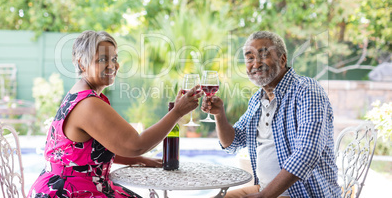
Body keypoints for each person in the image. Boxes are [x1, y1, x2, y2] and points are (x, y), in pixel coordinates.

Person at [27, 30, 202, 198]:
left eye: (114, 58)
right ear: (82, 64)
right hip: (71, 191)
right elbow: (136, 144)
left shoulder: (82, 94)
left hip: (67, 186)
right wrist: (177, 112)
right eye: (102, 59)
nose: (112, 65)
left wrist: (139, 160)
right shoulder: (88, 104)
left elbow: (89, 152)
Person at [202, 31, 341, 198]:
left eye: (263, 55)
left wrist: (264, 196)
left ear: (282, 59)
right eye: (250, 58)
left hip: (302, 194)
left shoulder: (306, 90)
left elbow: (307, 154)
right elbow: (233, 143)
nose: (256, 64)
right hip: (265, 190)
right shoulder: (257, 100)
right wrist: (219, 114)